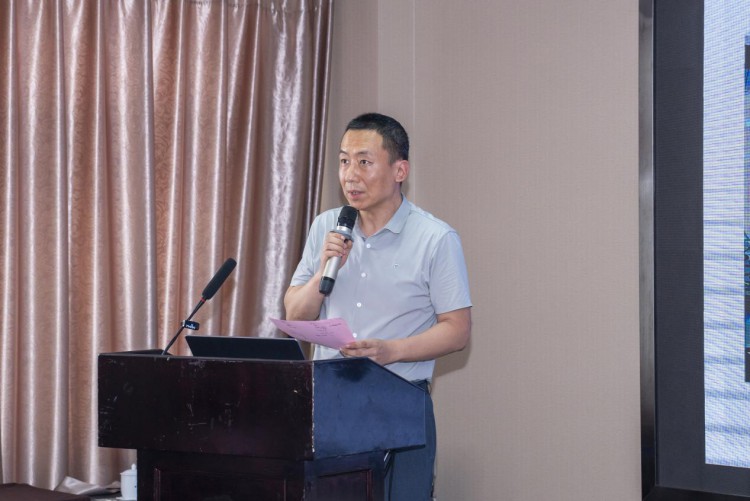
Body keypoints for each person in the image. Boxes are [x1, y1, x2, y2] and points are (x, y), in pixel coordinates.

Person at [284, 112, 472, 500]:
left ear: (399, 170)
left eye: (364, 162)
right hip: (330, 402)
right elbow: (295, 313)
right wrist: (323, 272)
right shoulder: (326, 227)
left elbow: (457, 330)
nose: (350, 175)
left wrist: (390, 351)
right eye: (343, 161)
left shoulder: (435, 238)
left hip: (400, 401)